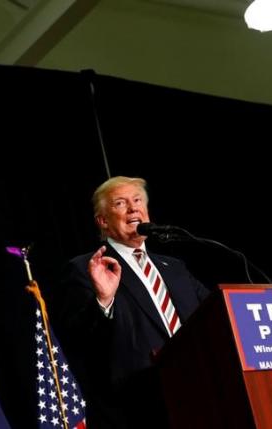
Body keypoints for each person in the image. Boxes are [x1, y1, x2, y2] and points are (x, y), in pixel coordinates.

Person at [50, 176, 211, 429]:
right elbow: (76, 338)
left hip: (200, 395)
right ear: (103, 221)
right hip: (137, 409)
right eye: (120, 203)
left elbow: (214, 313)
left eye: (137, 201)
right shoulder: (86, 269)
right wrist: (104, 300)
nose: (133, 208)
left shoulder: (175, 268)